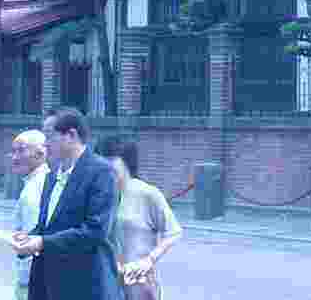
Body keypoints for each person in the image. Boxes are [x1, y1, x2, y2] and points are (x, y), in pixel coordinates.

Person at [9, 107, 123, 300]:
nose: (45, 144)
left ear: (71, 135)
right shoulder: (52, 175)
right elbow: (49, 226)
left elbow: (95, 231)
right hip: (49, 286)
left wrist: (42, 242)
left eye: (49, 136)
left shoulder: (102, 173)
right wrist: (28, 238)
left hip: (85, 286)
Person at [94, 138, 183, 300]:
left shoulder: (147, 193)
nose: (104, 164)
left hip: (138, 281)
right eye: (100, 159)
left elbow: (173, 232)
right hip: (107, 280)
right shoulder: (99, 193)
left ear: (126, 161)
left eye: (110, 158)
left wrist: (149, 260)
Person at [9, 129, 52, 300]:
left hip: (32, 281)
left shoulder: (36, 187)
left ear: (41, 153)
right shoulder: (36, 182)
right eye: (13, 151)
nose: (14, 157)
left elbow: (32, 237)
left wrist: (25, 279)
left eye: (21, 150)